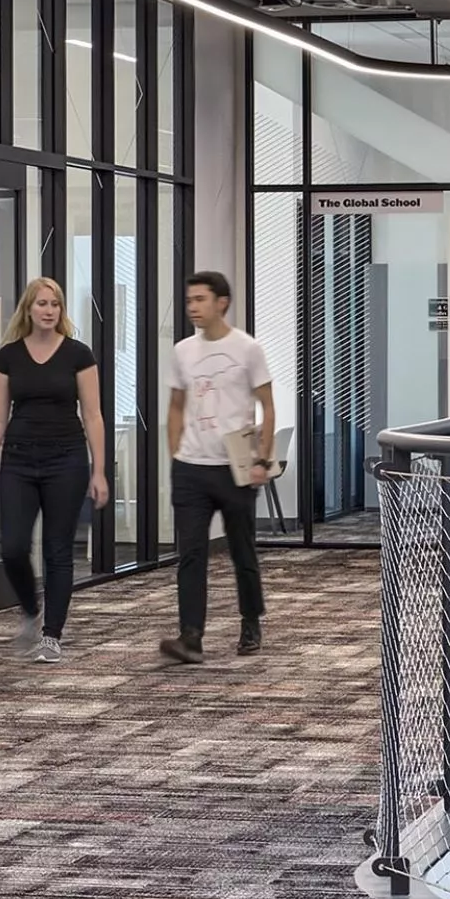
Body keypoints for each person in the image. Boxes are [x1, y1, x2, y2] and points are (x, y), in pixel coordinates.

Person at [0, 276, 108, 665]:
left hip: (66, 460)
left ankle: (52, 634)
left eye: (55, 304)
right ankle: (31, 611)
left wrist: (99, 470)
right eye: (42, 304)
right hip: (18, 461)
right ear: (28, 309)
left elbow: (94, 415)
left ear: (61, 310)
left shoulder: (78, 355)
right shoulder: (9, 356)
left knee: (58, 549)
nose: (49, 311)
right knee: (14, 547)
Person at [161, 271, 274, 664]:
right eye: (189, 300)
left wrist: (262, 458)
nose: (193, 307)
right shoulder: (182, 351)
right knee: (190, 554)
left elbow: (268, 405)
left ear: (221, 302)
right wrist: (175, 453)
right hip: (191, 467)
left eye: (200, 300)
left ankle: (251, 622)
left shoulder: (247, 349)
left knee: (243, 549)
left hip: (234, 468)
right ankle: (191, 636)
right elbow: (175, 406)